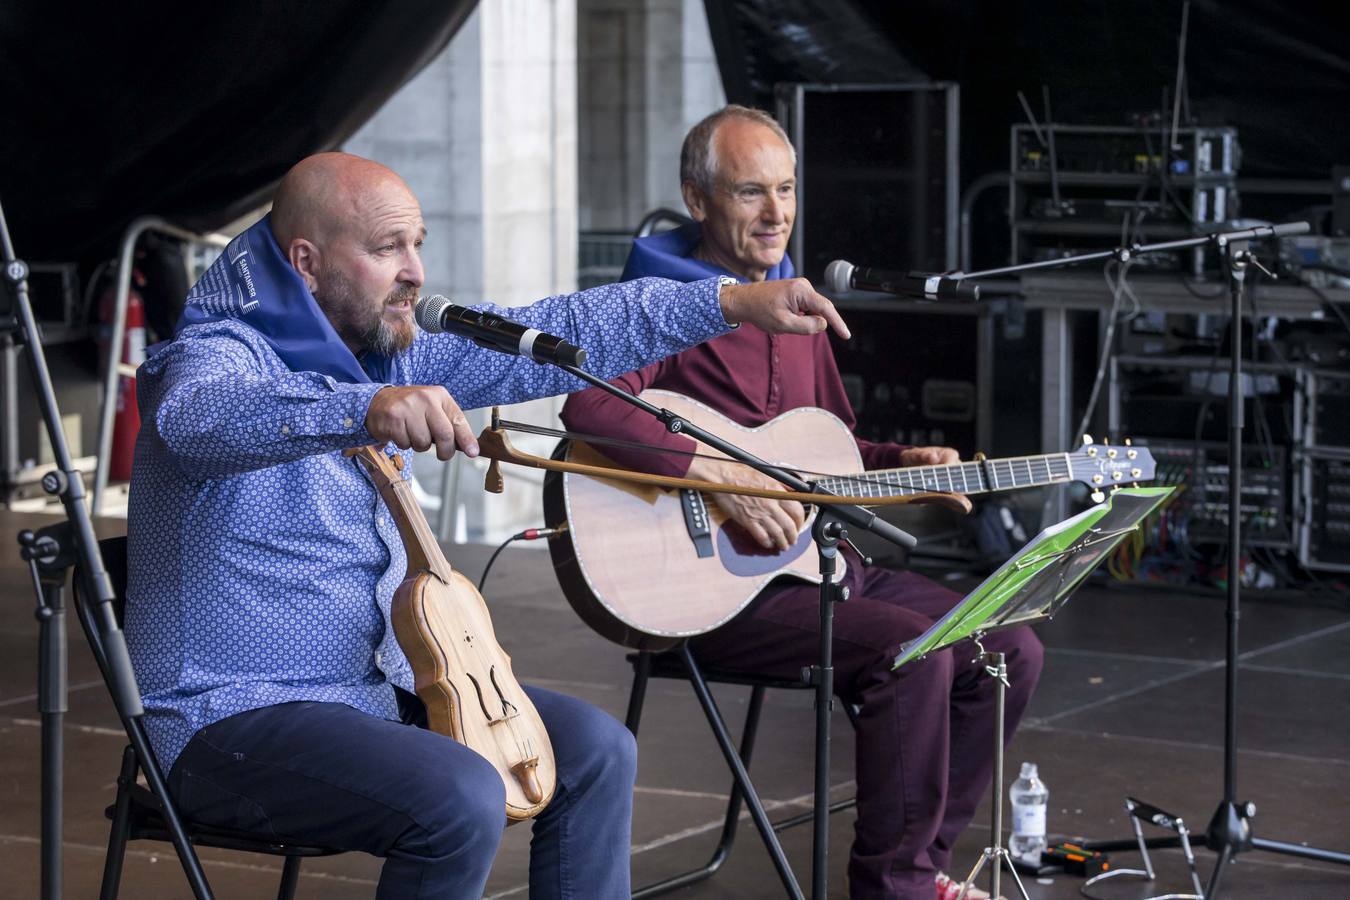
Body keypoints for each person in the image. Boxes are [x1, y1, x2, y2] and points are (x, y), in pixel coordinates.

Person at [124, 151, 850, 900]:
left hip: (370, 696)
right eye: (387, 249)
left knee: (597, 751)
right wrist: (362, 411)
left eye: (418, 244)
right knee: (461, 793)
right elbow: (197, 423)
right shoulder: (214, 356)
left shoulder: (370, 353)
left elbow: (556, 326)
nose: (415, 271)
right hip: (227, 721)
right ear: (306, 263)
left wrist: (725, 303)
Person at [560, 106, 1044, 900]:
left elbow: (826, 459)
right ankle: (895, 888)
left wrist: (909, 465)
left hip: (815, 567)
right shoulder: (657, 297)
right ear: (698, 198)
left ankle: (920, 868)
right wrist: (719, 476)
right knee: (913, 645)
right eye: (752, 192)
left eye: (786, 189)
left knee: (1009, 646)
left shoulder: (795, 303)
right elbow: (590, 411)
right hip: (709, 592)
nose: (777, 212)